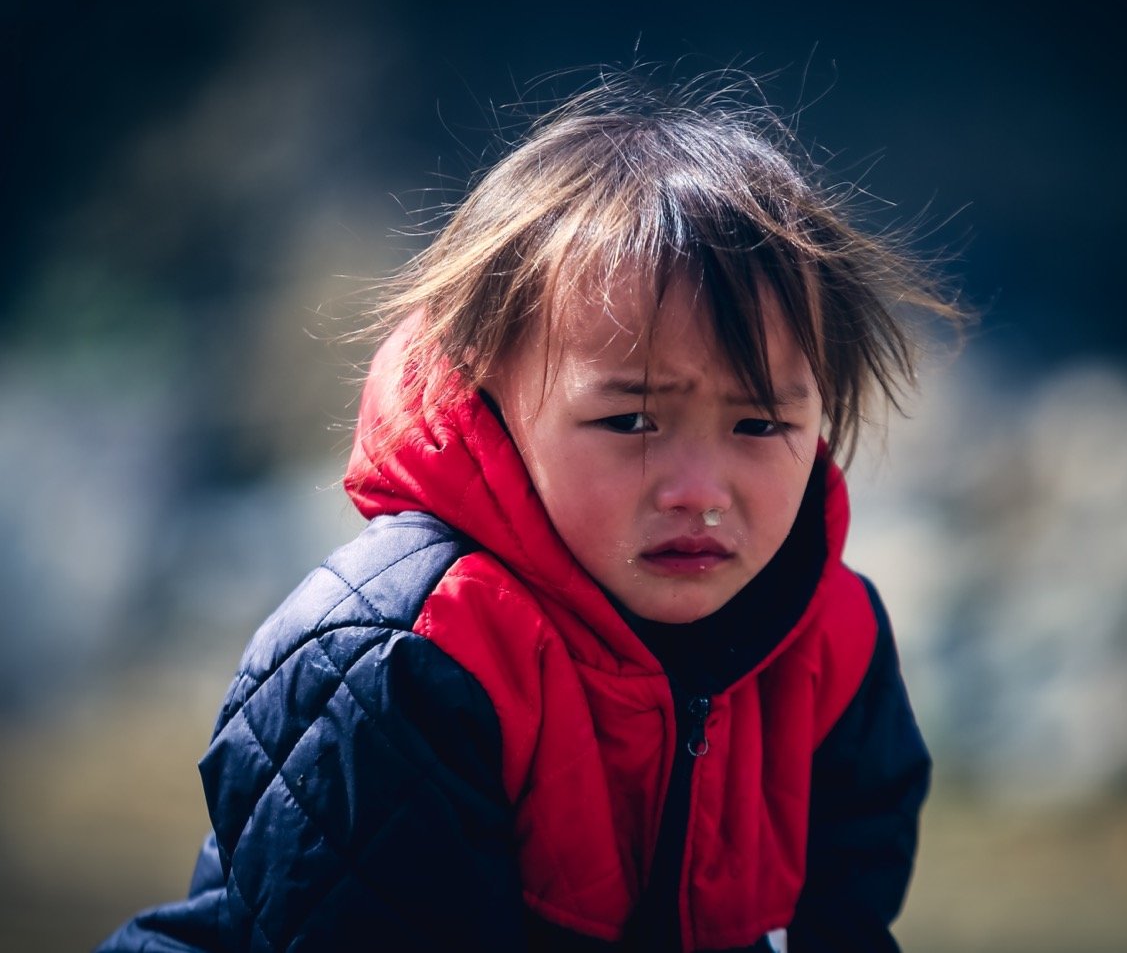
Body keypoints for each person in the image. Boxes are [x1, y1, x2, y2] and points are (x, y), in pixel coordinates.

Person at [98, 68, 958, 953]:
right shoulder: (406, 654)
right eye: (630, 419)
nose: (698, 489)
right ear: (488, 394)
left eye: (760, 422)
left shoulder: (830, 643)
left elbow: (846, 921)